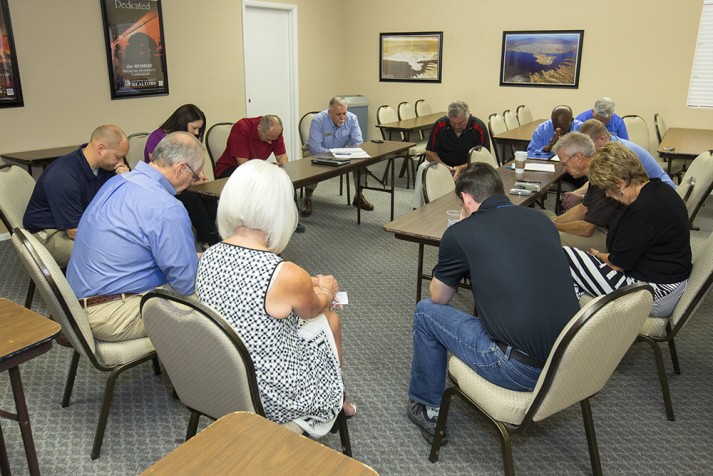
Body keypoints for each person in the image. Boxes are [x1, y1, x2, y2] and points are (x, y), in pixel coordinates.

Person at [406, 163, 579, 444]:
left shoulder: (461, 233)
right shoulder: (542, 221)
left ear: (466, 199)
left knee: (426, 312)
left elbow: (439, 298)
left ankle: (427, 407)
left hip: (519, 371)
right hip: (568, 357)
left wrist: (459, 238)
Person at [195, 159, 355, 437]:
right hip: (272, 397)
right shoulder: (284, 273)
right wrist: (326, 288)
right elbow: (313, 308)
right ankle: (337, 396)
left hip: (220, 379)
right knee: (330, 319)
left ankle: (340, 397)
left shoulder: (208, 257)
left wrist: (305, 282)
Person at [66, 132, 205, 341]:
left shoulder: (117, 182)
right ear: (181, 168)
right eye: (194, 176)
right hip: (110, 315)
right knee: (215, 300)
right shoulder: (167, 207)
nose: (192, 182)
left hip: (74, 303)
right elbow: (185, 283)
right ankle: (204, 370)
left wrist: (191, 257)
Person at [564, 142, 691, 317]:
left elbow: (617, 263)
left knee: (565, 257)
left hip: (654, 294)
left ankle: (567, 324)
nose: (607, 195)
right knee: (572, 276)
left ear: (621, 182)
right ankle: (574, 323)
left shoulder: (642, 211)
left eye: (608, 189)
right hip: (664, 283)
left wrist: (599, 256)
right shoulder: (659, 190)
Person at [23, 125, 130, 267]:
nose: (121, 162)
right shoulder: (63, 176)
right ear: (101, 148)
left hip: (84, 222)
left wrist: (126, 183)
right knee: (109, 256)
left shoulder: (108, 167)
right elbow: (74, 232)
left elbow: (122, 207)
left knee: (133, 247)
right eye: (118, 157)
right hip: (50, 232)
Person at [144, 104, 219, 248]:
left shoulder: (189, 139)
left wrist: (198, 178)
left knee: (208, 197)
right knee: (192, 199)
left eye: (199, 129)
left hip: (184, 181)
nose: (197, 132)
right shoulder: (157, 137)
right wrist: (192, 181)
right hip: (166, 185)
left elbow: (196, 167)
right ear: (181, 123)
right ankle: (212, 240)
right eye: (194, 128)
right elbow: (162, 168)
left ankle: (208, 238)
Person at [561, 118, 675, 210]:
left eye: (589, 144)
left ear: (602, 139)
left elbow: (618, 187)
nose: (586, 149)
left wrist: (581, 197)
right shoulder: (613, 146)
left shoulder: (618, 153)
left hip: (659, 197)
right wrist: (579, 195)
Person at [411, 100, 490, 209]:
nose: (457, 126)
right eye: (453, 123)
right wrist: (444, 166)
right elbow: (429, 152)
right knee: (423, 167)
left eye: (461, 123)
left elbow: (484, 157)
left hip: (468, 165)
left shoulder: (478, 126)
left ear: (468, 117)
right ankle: (418, 208)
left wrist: (462, 168)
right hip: (442, 163)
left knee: (482, 172)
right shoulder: (440, 124)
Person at [552, 132, 623, 252]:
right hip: (605, 228)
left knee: (552, 239)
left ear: (578, 158)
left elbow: (586, 229)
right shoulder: (597, 168)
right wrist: (554, 222)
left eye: (565, 164)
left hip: (615, 238)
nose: (564, 168)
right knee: (551, 222)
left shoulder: (603, 176)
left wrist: (552, 227)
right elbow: (582, 208)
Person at [303, 96, 372, 215]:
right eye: (338, 114)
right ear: (330, 113)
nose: (342, 117)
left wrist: (351, 152)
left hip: (340, 152)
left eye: (344, 113)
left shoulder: (352, 118)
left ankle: (358, 196)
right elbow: (315, 148)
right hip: (315, 152)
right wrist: (336, 154)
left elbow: (358, 142)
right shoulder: (318, 120)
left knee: (361, 163)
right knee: (312, 162)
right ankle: (307, 197)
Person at [214, 115, 287, 179]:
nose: (270, 142)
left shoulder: (275, 132)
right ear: (259, 127)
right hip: (230, 168)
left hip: (255, 167)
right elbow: (244, 165)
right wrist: (267, 169)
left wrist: (282, 172)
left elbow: (282, 157)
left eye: (273, 139)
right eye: (267, 139)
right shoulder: (242, 128)